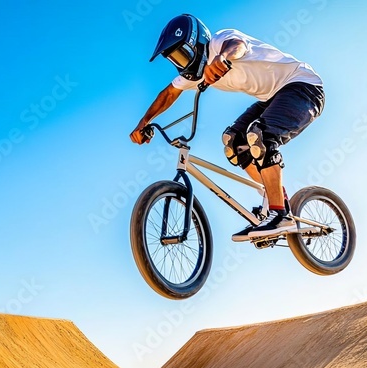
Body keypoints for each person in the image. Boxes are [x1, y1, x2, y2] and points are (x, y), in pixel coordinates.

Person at [130, 14, 325, 241]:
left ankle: (279, 214)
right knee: (233, 142)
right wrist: (143, 122)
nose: (181, 63)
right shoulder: (195, 73)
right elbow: (168, 94)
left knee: (259, 137)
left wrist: (222, 58)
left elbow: (238, 47)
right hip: (272, 97)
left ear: (196, 42)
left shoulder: (221, 41)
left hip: (303, 86)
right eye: (175, 60)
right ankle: (276, 200)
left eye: (182, 54)